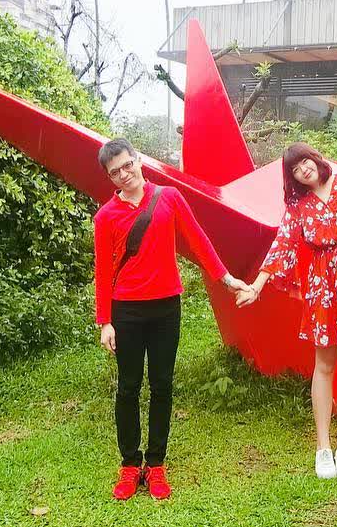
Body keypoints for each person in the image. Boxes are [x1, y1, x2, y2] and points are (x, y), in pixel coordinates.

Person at [93, 139, 249, 501]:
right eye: (115, 172)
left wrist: (226, 279)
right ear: (109, 177)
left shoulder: (169, 197)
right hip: (126, 312)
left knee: (162, 385)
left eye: (126, 165)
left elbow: (198, 240)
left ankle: (157, 464)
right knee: (128, 388)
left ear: (137, 161)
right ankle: (130, 466)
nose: (123, 174)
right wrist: (106, 321)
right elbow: (102, 271)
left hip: (166, 309)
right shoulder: (106, 217)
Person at [236, 142, 337, 479]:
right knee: (323, 366)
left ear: (315, 159)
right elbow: (282, 245)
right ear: (292, 177)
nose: (302, 169)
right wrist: (257, 286)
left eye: (304, 161)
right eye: (294, 168)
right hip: (323, 287)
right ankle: (323, 448)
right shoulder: (298, 206)